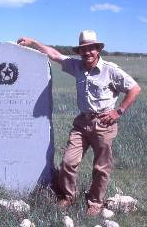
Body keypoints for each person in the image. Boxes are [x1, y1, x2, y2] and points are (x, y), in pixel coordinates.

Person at [17, 30, 141, 216]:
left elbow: (134, 88)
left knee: (101, 167)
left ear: (98, 50)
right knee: (68, 161)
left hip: (104, 124)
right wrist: (33, 41)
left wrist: (118, 111)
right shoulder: (77, 66)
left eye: (91, 48)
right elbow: (54, 54)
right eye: (84, 49)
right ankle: (69, 196)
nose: (88, 52)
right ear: (80, 52)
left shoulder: (110, 70)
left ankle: (95, 202)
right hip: (82, 123)